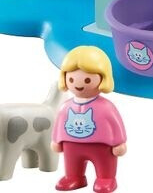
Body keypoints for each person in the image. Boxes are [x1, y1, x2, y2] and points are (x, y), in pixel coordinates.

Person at [52, 46, 126, 193]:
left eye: (87, 80)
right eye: (71, 79)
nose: (78, 84)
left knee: (104, 164)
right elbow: (59, 123)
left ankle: (106, 178)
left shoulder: (106, 107)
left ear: (103, 78)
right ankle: (73, 177)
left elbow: (115, 124)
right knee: (72, 163)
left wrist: (119, 142)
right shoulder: (66, 106)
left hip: (101, 145)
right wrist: (56, 140)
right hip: (71, 144)